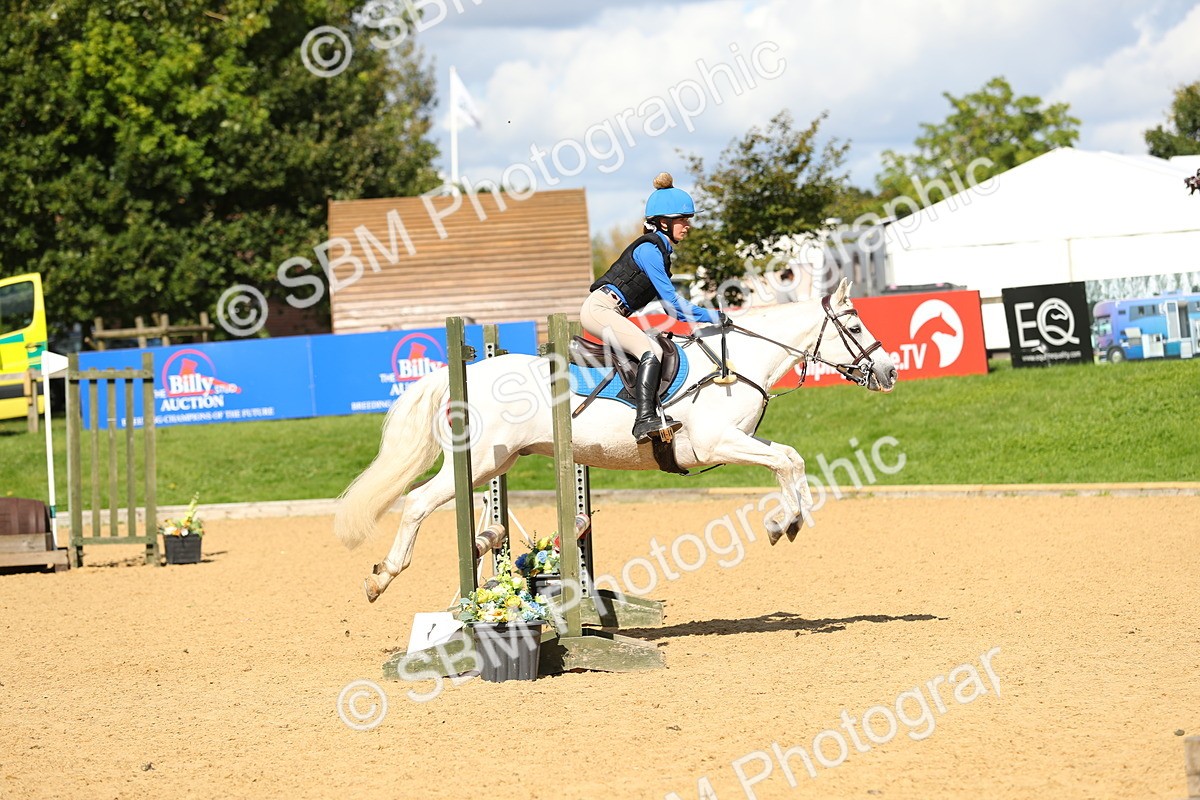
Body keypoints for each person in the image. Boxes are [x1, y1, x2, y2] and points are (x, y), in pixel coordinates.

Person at [581, 172, 730, 443]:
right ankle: (644, 420)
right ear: (663, 223)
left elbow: (668, 309)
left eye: (687, 220)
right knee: (649, 350)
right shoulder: (650, 251)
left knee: (654, 345)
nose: (688, 226)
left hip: (609, 310)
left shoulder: (660, 250)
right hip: (601, 309)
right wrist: (714, 316)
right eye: (683, 220)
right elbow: (674, 306)